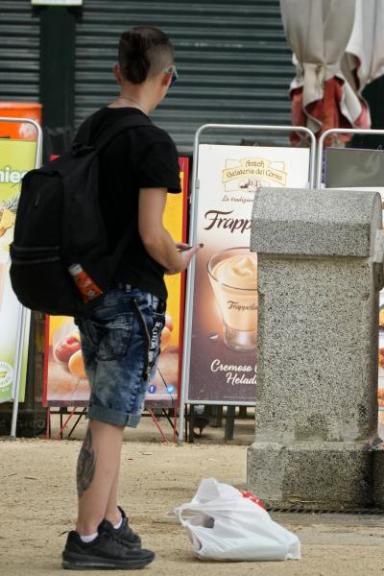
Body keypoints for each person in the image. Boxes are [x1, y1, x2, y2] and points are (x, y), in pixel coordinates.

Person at [61, 26, 199, 570]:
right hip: (131, 297)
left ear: (117, 72)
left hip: (88, 292)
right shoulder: (152, 142)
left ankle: (109, 521)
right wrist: (178, 258)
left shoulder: (90, 129)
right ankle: (88, 537)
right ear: (167, 78)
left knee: (104, 414)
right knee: (110, 420)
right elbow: (151, 234)